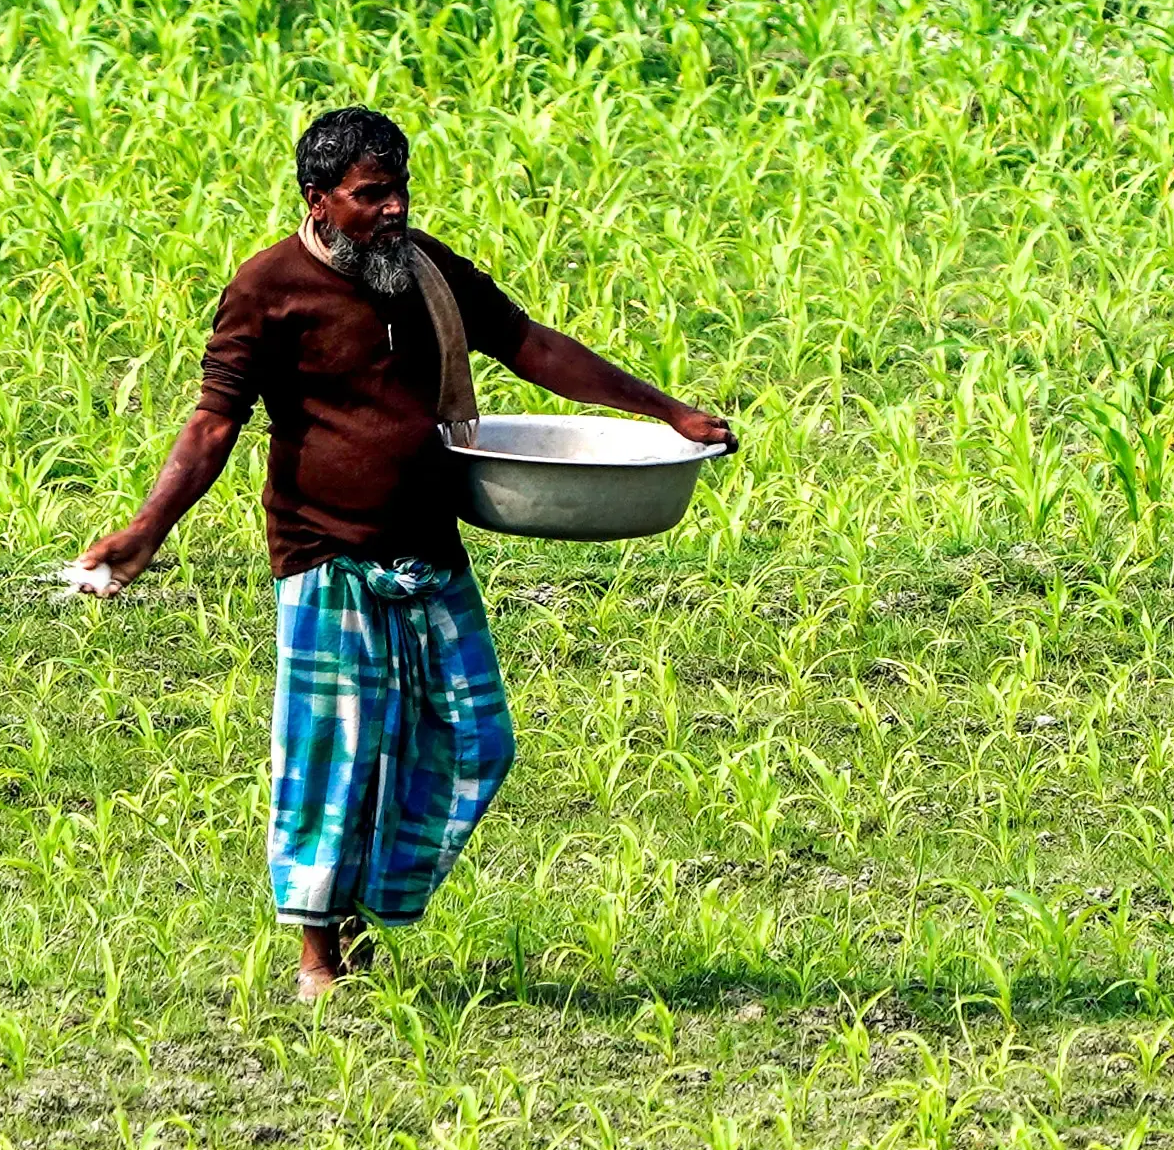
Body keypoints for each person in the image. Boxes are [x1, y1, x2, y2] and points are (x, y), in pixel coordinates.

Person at [73, 108, 733, 1001]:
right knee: (330, 755)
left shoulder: (427, 272)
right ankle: (316, 957)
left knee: (476, 739)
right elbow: (214, 422)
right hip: (323, 554)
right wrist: (147, 529)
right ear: (319, 199)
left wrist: (665, 411)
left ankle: (369, 903)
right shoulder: (268, 288)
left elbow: (530, 345)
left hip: (429, 546)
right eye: (369, 195)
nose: (392, 211)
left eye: (399, 191)